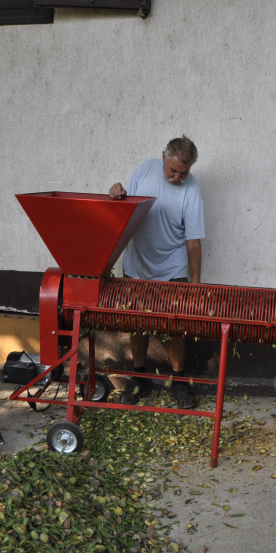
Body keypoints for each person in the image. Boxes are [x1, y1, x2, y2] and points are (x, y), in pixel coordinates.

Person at [108, 136, 204, 409]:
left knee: (177, 326)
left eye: (183, 173)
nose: (177, 177)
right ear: (163, 157)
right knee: (137, 323)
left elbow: (194, 242)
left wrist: (194, 286)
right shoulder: (145, 170)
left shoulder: (192, 190)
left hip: (173, 266)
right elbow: (125, 209)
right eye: (173, 170)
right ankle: (140, 380)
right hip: (137, 263)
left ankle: (179, 383)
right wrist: (116, 193)